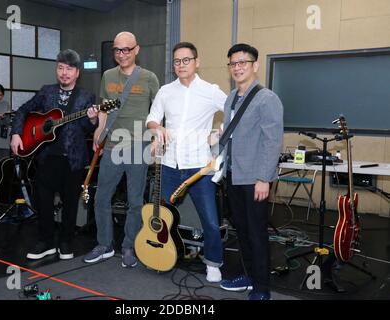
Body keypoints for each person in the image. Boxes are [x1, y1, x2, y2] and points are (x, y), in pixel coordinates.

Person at [146, 42, 227, 282]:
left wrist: (219, 132)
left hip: (200, 167)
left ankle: (213, 262)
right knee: (160, 215)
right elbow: (151, 118)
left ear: (196, 61)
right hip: (169, 166)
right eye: (177, 61)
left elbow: (234, 112)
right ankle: (161, 252)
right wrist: (157, 127)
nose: (181, 65)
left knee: (210, 220)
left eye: (186, 60)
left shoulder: (210, 90)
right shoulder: (165, 91)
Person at [10, 49, 99, 260]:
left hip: (74, 159)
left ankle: (66, 242)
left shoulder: (87, 96)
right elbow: (23, 110)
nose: (64, 73)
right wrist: (16, 134)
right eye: (60, 68)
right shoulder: (46, 92)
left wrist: (93, 120)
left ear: (77, 72)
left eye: (69, 68)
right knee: (43, 201)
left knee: (70, 203)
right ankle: (46, 241)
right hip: (47, 156)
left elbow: (86, 128)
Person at [83, 31, 160, 268]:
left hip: (139, 145)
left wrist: (157, 138)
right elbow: (105, 108)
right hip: (114, 143)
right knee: (101, 197)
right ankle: (105, 244)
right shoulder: (107, 76)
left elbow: (158, 112)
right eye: (117, 50)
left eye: (126, 49)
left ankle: (129, 246)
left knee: (135, 201)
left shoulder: (149, 78)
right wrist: (99, 130)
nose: (121, 54)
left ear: (137, 50)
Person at [219, 43, 283, 300]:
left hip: (255, 179)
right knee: (242, 231)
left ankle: (262, 288)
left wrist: (263, 178)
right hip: (233, 175)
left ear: (255, 65)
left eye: (243, 62)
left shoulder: (267, 99)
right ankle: (248, 276)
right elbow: (231, 134)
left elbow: (272, 141)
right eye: (233, 63)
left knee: (257, 234)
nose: (238, 67)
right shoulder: (231, 97)